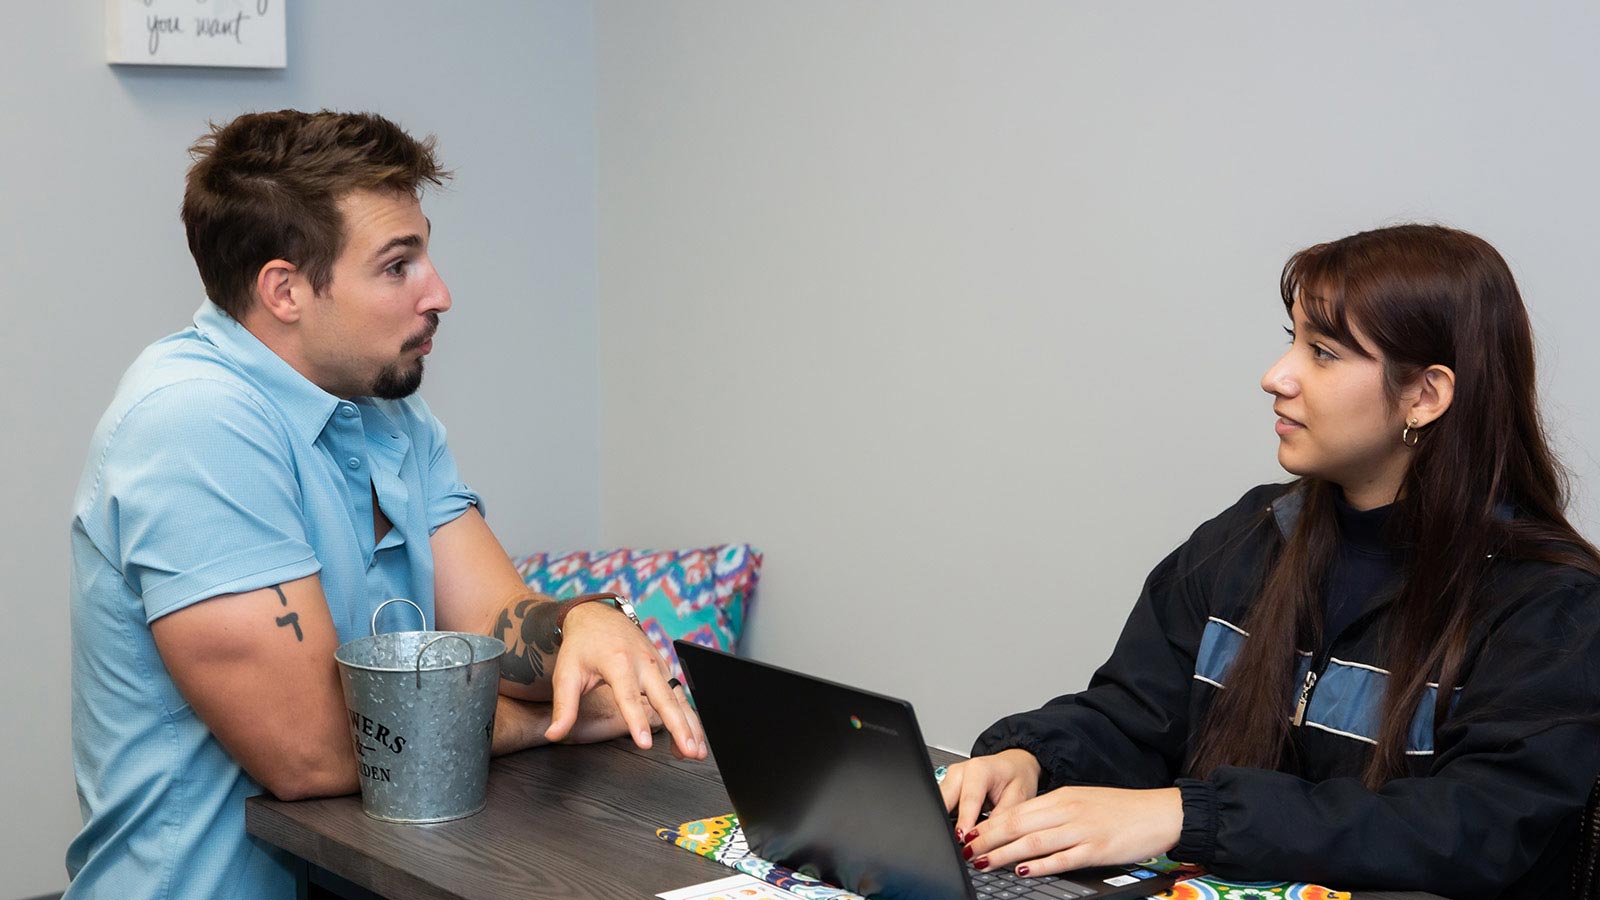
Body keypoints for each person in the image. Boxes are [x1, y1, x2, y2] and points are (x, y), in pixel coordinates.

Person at [65, 109, 707, 900]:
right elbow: (316, 752)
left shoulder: (387, 408)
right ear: (285, 289)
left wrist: (578, 624)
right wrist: (560, 718)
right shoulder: (191, 424)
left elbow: (495, 624)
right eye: (398, 266)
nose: (439, 291)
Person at [941, 224, 1600, 900]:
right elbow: (1133, 717)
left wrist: (1190, 816)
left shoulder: (1550, 606)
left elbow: (1474, 829)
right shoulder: (1250, 538)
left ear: (1424, 396)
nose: (1276, 376)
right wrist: (1029, 756)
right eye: (1292, 341)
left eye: (1322, 352)